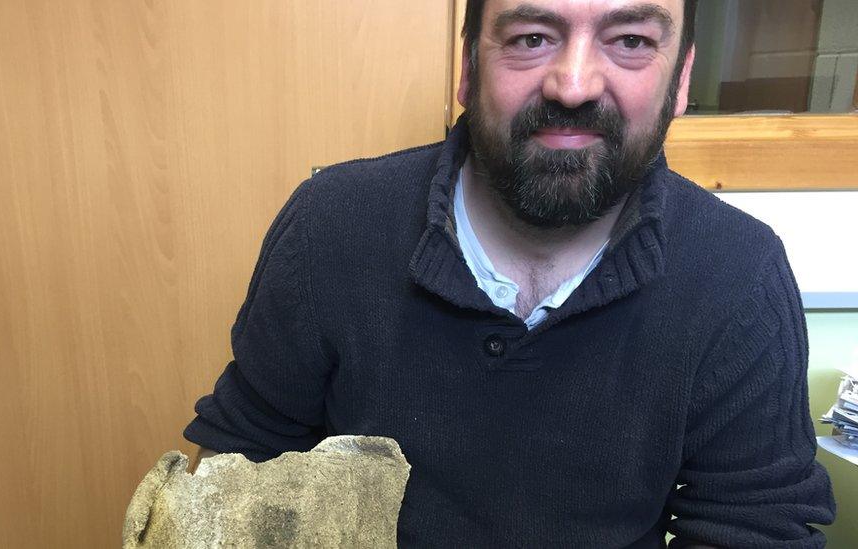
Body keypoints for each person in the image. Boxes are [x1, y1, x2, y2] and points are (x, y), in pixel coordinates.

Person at [184, 0, 836, 546]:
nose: (573, 84)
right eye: (531, 37)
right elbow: (242, 478)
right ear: (468, 67)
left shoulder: (739, 274)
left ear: (682, 77)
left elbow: (756, 526)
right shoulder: (331, 225)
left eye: (631, 40)